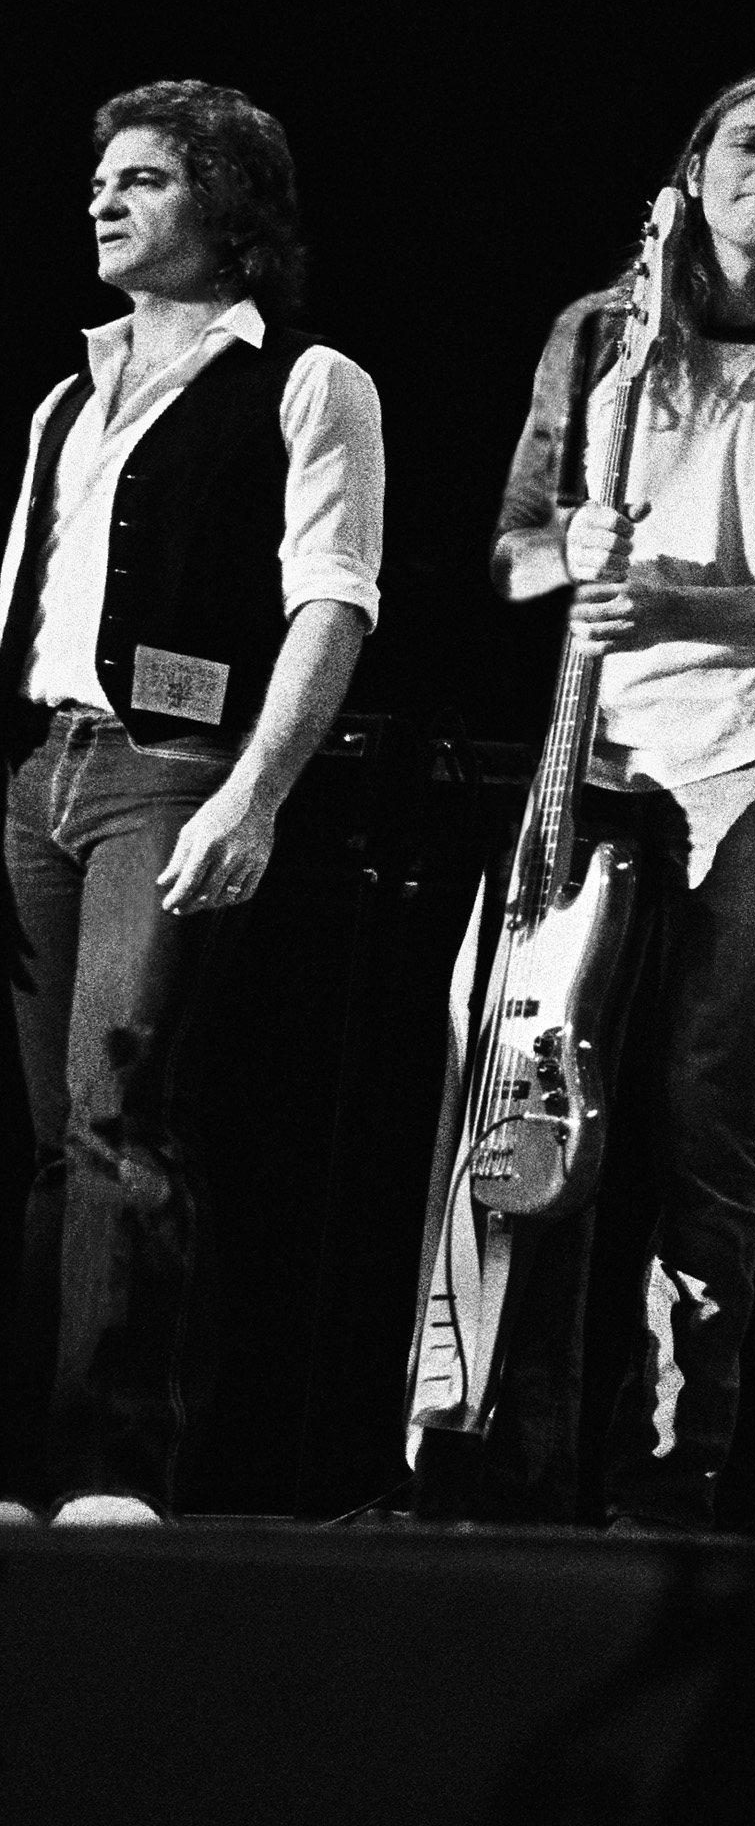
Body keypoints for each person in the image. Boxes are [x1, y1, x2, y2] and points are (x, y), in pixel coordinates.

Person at [440, 68, 755, 1531]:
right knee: (533, 1087)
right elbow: (516, 551)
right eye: (748, 143)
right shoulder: (600, 334)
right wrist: (571, 560)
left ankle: (674, 1469)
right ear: (694, 168)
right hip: (592, 756)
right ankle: (516, 1445)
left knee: (704, 1099)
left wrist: (678, 607)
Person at [2, 82, 385, 1528]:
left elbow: (332, 605)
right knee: (52, 1141)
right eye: (101, 179)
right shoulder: (65, 397)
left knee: (123, 1117)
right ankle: (33, 1474)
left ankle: (117, 1474)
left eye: (144, 178)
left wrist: (255, 792)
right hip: (41, 769)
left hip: (172, 768)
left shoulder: (306, 381)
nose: (103, 202)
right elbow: (21, 605)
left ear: (226, 211)